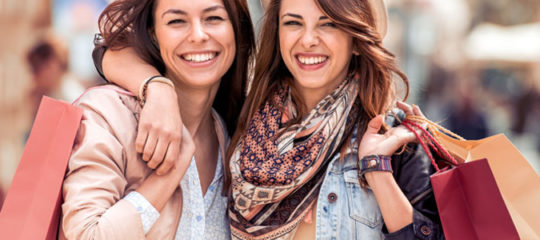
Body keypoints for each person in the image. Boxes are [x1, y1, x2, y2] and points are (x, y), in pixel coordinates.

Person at [94, 0, 444, 239]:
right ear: (277, 34)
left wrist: (377, 170)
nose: (309, 40)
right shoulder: (246, 126)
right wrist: (157, 88)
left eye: (329, 24)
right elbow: (107, 48)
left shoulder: (395, 139)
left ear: (355, 39)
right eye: (294, 23)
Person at [60, 0, 255, 239]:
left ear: (237, 29)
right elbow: (85, 235)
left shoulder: (239, 139)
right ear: (153, 34)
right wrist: (169, 174)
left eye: (213, 18)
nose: (198, 35)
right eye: (176, 21)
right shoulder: (109, 116)